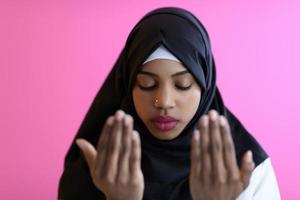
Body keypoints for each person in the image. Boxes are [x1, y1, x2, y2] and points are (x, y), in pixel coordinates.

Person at [58, 7, 281, 200]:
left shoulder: (245, 169)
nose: (163, 102)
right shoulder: (99, 166)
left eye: (183, 84)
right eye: (147, 84)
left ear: (205, 87)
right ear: (126, 85)